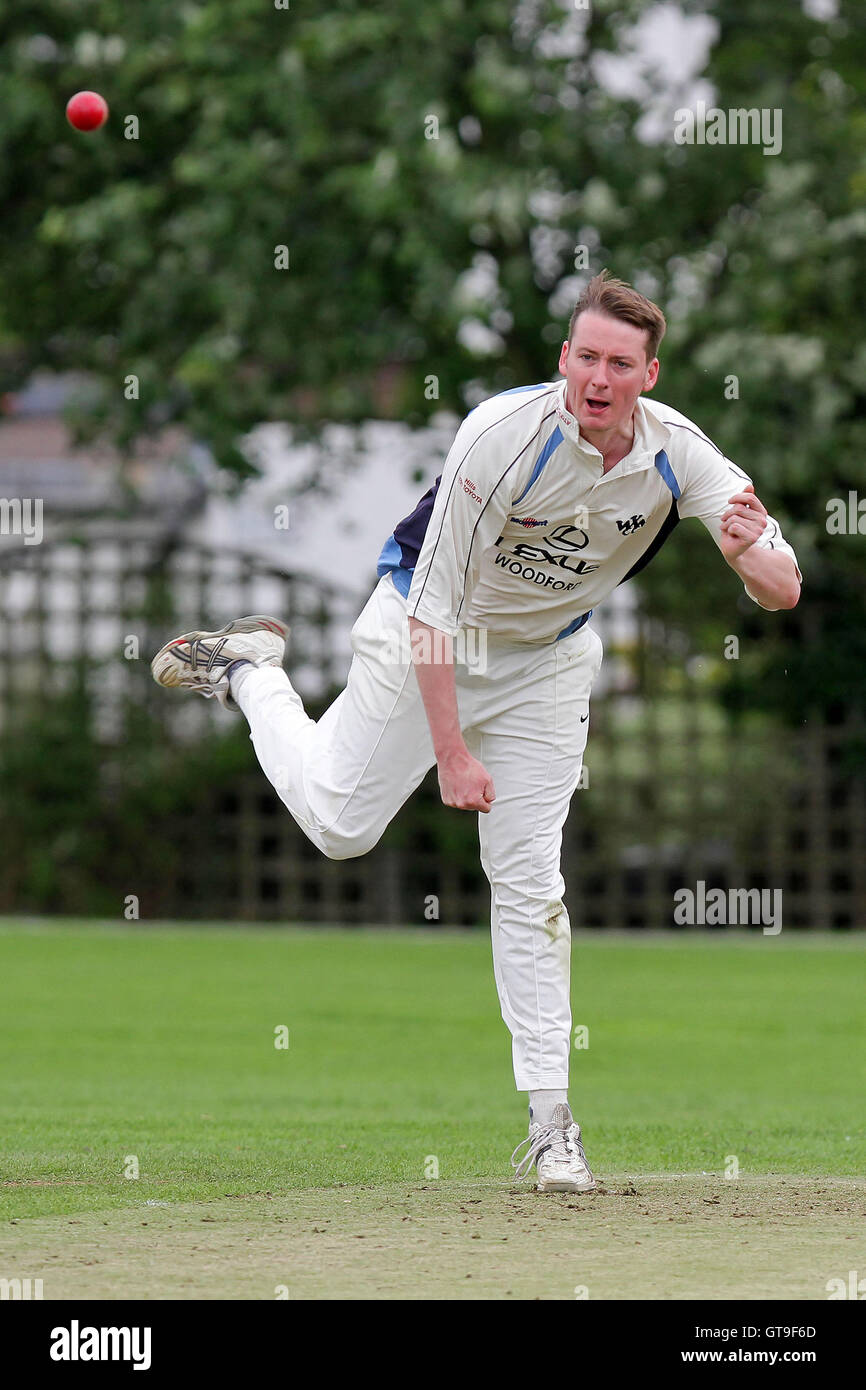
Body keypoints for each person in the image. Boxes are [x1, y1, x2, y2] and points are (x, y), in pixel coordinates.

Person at [152, 271, 801, 1193]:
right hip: (427, 632)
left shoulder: (679, 454)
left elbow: (783, 587)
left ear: (649, 375)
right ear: (564, 360)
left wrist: (749, 557)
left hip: (547, 664)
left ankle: (552, 1126)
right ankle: (253, 670)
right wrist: (452, 752)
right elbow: (434, 607)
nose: (600, 377)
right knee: (340, 829)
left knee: (532, 880)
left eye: (621, 363)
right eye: (586, 357)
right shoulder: (500, 438)